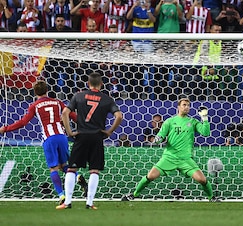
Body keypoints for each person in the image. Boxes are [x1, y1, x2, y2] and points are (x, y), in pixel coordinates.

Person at [0, 80, 88, 205]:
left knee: (54, 168)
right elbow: (72, 115)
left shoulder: (35, 106)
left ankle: (62, 196)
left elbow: (23, 123)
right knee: (65, 165)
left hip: (49, 138)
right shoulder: (57, 102)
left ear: (35, 92)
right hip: (62, 137)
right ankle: (79, 178)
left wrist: (6, 129)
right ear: (47, 90)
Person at [121, 97, 219, 202]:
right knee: (150, 176)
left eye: (188, 105)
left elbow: (206, 133)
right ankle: (134, 195)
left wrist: (204, 118)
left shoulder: (193, 122)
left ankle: (211, 198)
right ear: (178, 107)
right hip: (169, 157)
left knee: (202, 180)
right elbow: (161, 135)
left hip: (185, 159)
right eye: (184, 105)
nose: (186, 107)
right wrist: (157, 140)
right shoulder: (170, 121)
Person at [57, 72, 123, 210]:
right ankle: (89, 202)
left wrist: (69, 132)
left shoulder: (79, 96)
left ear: (88, 83)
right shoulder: (107, 99)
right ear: (101, 84)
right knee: (94, 170)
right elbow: (119, 116)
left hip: (81, 135)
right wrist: (109, 131)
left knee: (71, 168)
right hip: (97, 137)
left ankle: (67, 202)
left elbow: (64, 113)